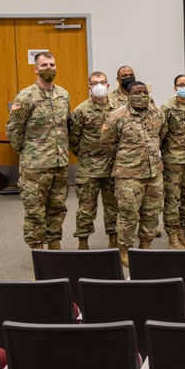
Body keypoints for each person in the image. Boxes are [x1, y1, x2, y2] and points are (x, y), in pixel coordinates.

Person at [6, 51, 71, 249]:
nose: (49, 69)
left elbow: (64, 125)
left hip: (59, 164)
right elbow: (13, 129)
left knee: (57, 208)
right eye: (44, 66)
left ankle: (54, 246)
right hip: (35, 167)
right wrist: (28, 153)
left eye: (52, 65)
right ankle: (38, 251)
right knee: (35, 210)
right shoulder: (25, 97)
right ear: (35, 69)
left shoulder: (63, 95)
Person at [101, 80, 167, 266]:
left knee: (152, 213)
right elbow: (107, 144)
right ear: (129, 95)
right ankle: (125, 249)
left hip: (154, 173)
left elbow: (161, 135)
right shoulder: (117, 116)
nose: (142, 96)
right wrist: (125, 159)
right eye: (137, 93)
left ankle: (146, 246)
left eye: (145, 92)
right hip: (128, 175)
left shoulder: (157, 113)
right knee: (128, 214)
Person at [68, 71, 117, 250]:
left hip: (113, 166)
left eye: (102, 82)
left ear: (108, 85)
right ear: (89, 87)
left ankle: (114, 242)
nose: (99, 86)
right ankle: (83, 244)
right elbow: (73, 140)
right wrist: (87, 155)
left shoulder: (117, 107)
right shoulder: (81, 111)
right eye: (95, 83)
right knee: (86, 209)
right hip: (89, 168)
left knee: (114, 207)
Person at [160, 74, 185, 250]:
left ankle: (182, 234)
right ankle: (172, 238)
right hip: (172, 161)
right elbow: (160, 134)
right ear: (175, 87)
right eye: (180, 85)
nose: (184, 87)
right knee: (172, 200)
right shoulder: (167, 108)